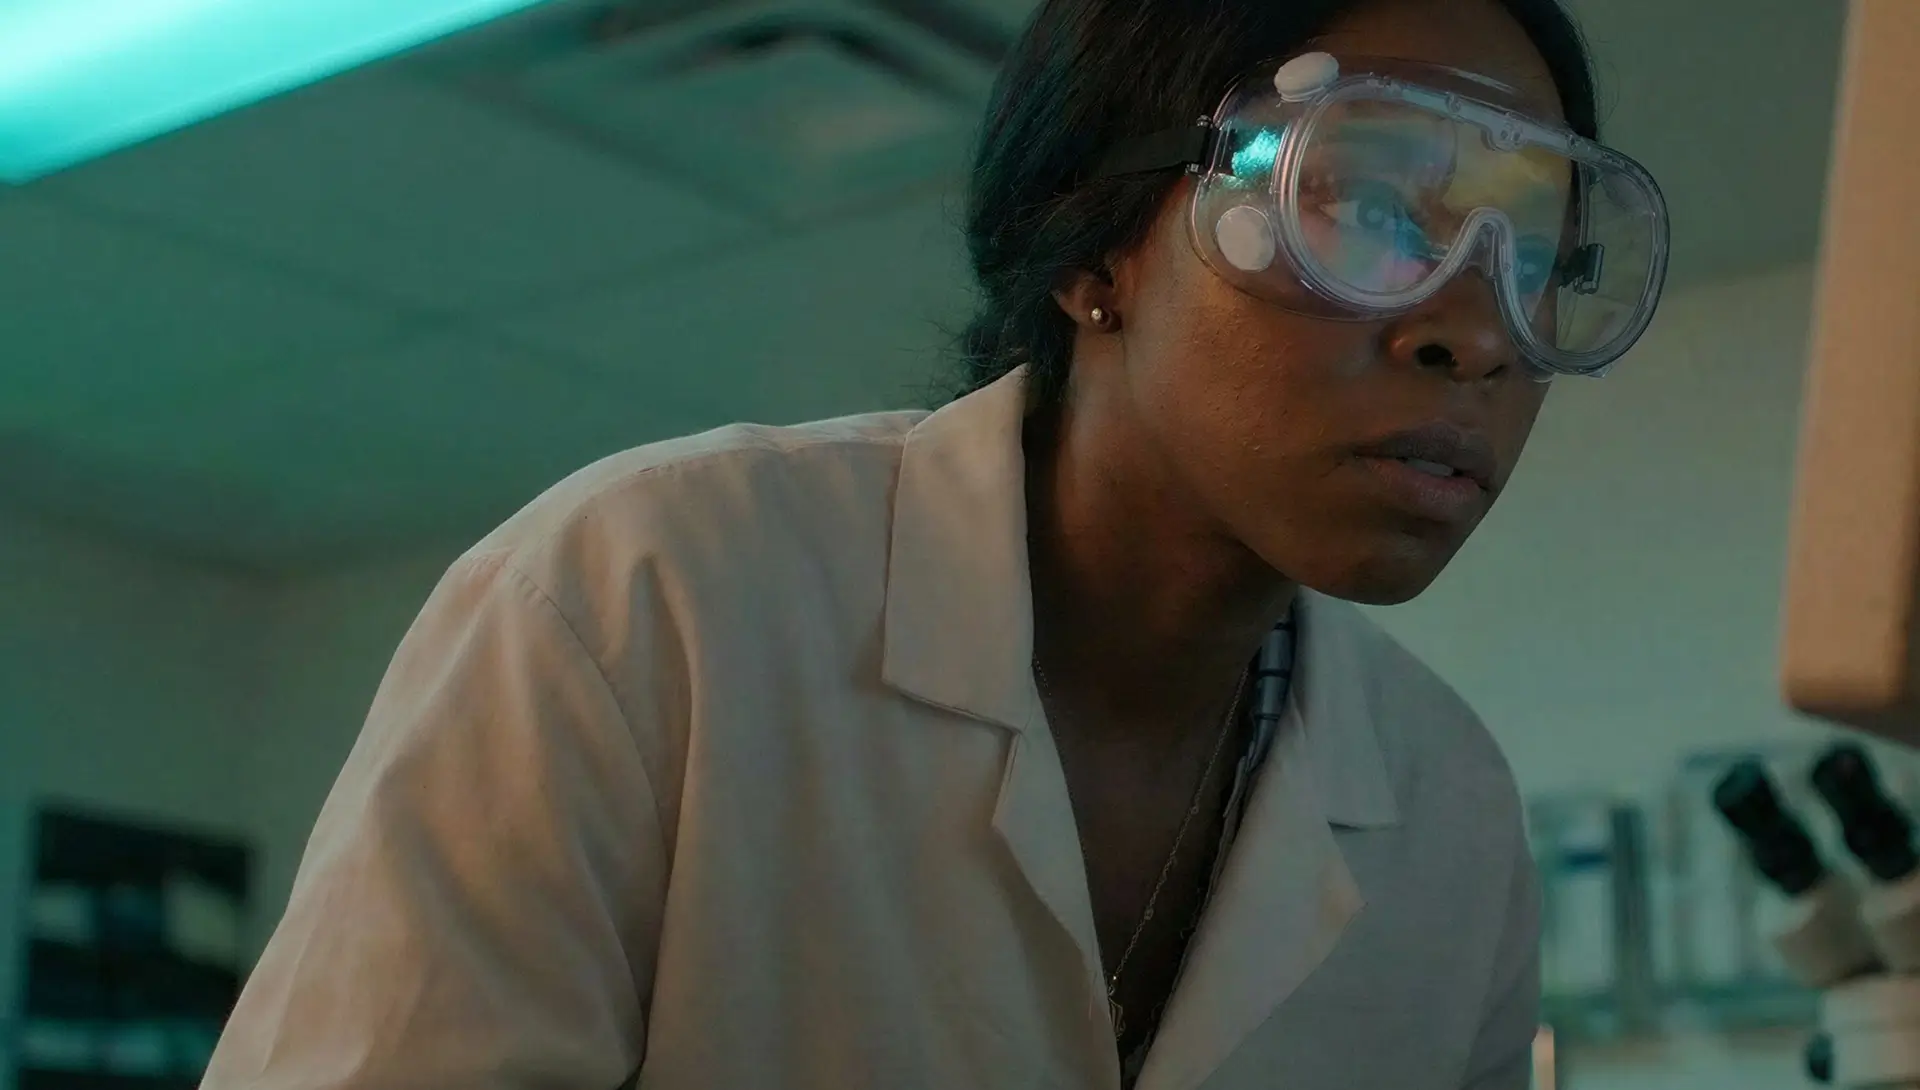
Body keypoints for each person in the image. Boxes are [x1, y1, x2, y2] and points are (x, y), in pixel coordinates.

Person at [203, 0, 1667, 1086]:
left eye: (1539, 258)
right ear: (1098, 243)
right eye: (1359, 201)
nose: (1475, 330)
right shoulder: (647, 602)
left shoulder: (1450, 815)